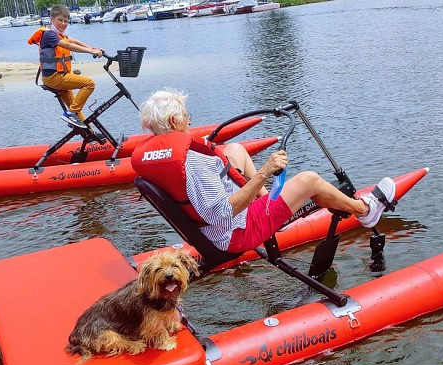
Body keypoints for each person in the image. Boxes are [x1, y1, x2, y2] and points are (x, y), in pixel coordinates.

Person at [135, 89, 396, 253]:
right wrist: (265, 171)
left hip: (210, 228)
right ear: (173, 121)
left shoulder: (162, 158)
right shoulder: (194, 163)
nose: (189, 121)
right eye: (185, 116)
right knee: (309, 180)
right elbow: (222, 212)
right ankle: (365, 211)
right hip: (235, 232)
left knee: (235, 150)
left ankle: (270, 205)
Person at [39, 5, 103, 128]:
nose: (63, 24)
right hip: (53, 77)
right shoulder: (49, 35)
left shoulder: (60, 35)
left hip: (60, 76)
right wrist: (91, 52)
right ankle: (70, 114)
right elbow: (68, 46)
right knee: (89, 83)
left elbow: (75, 42)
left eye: (66, 21)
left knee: (76, 108)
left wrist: (92, 48)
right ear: (52, 19)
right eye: (60, 20)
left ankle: (90, 135)